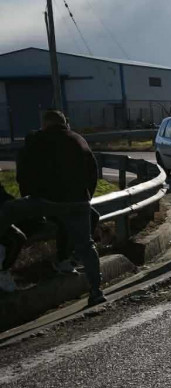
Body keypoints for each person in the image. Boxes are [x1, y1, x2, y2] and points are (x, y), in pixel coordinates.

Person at [0, 109, 106, 304]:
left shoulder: (37, 141)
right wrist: (85, 197)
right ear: (65, 123)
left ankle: (3, 256)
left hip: (46, 202)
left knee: (7, 210)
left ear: (45, 124)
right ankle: (96, 292)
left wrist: (29, 196)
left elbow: (23, 172)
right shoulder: (78, 140)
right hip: (78, 202)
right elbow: (93, 172)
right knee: (86, 246)